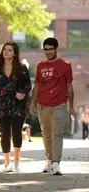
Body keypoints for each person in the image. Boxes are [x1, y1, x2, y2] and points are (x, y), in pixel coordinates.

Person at [30, 37, 76, 176]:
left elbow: (69, 86)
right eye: (46, 49)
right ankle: (49, 160)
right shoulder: (40, 66)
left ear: (56, 49)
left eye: (51, 49)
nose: (48, 52)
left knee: (57, 133)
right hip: (42, 105)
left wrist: (72, 106)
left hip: (60, 104)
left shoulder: (65, 65)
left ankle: (56, 163)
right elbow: (37, 86)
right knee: (46, 134)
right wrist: (32, 102)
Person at [0, 41, 31, 172]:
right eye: (5, 49)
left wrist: (22, 93)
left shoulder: (21, 68)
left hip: (18, 105)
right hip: (2, 105)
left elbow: (27, 85)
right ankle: (7, 162)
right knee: (5, 133)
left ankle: (17, 161)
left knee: (17, 132)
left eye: (10, 50)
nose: (6, 52)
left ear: (15, 53)